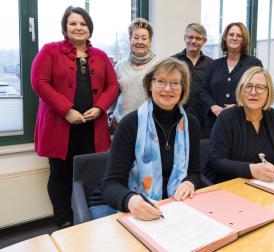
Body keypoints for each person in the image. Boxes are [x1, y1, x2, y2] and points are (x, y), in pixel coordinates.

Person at [31, 6, 118, 228]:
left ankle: (87, 217)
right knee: (60, 175)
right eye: (73, 23)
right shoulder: (50, 51)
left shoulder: (100, 56)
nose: (79, 27)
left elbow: (112, 85)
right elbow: (39, 83)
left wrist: (99, 108)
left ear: (90, 28)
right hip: (60, 127)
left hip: (92, 127)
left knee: (90, 173)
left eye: (83, 23)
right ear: (65, 27)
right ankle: (64, 221)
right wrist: (67, 110)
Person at [88, 57, 201, 221]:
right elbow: (110, 185)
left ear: (183, 88)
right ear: (150, 84)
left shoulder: (192, 124)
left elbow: (194, 172)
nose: (167, 89)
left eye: (175, 83)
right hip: (118, 202)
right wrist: (131, 201)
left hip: (168, 203)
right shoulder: (130, 123)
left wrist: (190, 182)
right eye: (160, 81)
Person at [203, 66, 274, 184]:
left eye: (260, 87)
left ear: (268, 92)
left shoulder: (273, 116)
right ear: (241, 90)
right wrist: (251, 170)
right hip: (231, 187)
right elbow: (217, 161)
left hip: (269, 187)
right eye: (248, 87)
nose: (253, 92)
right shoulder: (226, 117)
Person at [201, 22, 263, 137]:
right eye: (231, 34)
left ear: (244, 40)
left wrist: (239, 106)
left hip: (243, 123)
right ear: (225, 37)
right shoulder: (213, 65)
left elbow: (260, 91)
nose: (234, 38)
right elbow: (204, 90)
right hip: (215, 124)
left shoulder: (254, 64)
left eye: (239, 36)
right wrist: (213, 106)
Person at [110, 18, 160, 128]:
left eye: (144, 38)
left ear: (150, 41)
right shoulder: (120, 66)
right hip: (121, 123)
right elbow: (112, 93)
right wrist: (111, 113)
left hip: (149, 125)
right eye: (136, 37)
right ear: (130, 39)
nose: (140, 42)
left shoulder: (159, 65)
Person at [173, 23, 213, 132]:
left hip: (204, 120)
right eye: (190, 37)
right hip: (177, 117)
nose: (194, 41)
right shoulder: (173, 62)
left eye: (198, 38)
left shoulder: (212, 64)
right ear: (185, 38)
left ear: (204, 41)